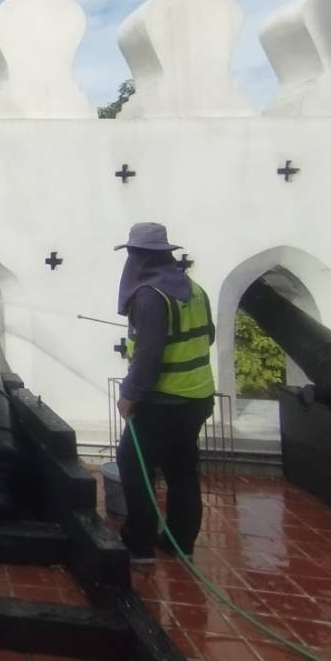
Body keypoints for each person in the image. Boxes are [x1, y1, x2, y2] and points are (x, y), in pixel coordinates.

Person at [113, 222, 216, 565]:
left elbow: (149, 356)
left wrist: (129, 394)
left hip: (162, 401)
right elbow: (208, 335)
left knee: (133, 465)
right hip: (197, 396)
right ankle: (181, 542)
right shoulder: (194, 289)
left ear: (139, 257)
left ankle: (139, 543)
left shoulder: (150, 295)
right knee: (181, 469)